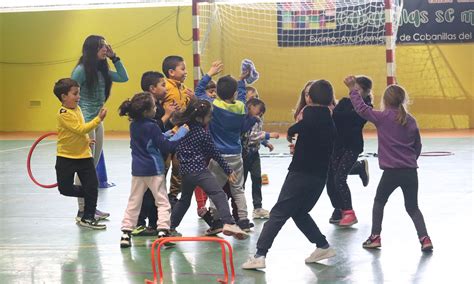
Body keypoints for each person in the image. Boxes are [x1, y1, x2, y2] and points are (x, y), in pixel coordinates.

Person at [242, 80, 337, 270]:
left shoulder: (308, 116)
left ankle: (260, 254)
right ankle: (322, 245)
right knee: (300, 212)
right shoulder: (331, 121)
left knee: (278, 213)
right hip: (320, 177)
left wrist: (293, 132)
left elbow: (299, 127)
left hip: (300, 173)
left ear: (308, 98)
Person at [345, 76, 433, 252]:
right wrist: (410, 160)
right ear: (403, 100)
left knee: (379, 201)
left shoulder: (382, 117)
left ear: (385, 100)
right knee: (412, 207)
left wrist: (353, 90)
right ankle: (425, 239)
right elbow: (418, 145)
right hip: (410, 172)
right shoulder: (411, 120)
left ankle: (375, 236)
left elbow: (361, 109)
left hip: (391, 173)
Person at [170, 99, 249, 240]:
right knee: (218, 194)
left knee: (184, 200)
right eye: (209, 116)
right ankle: (229, 222)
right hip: (199, 171)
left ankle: (170, 227)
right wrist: (228, 170)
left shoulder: (183, 129)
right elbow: (214, 153)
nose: (210, 118)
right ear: (200, 118)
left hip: (185, 172)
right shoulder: (202, 133)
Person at [118, 92, 189, 248]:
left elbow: (150, 141)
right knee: (163, 202)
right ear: (146, 111)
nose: (156, 109)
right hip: (154, 170)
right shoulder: (152, 126)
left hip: (138, 171)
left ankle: (125, 232)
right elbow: (167, 146)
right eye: (153, 106)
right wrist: (182, 133)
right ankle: (163, 230)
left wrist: (167, 134)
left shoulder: (134, 125)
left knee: (134, 201)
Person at [71, 35, 129, 222]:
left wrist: (115, 57)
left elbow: (123, 77)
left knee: (92, 166)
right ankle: (82, 210)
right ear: (91, 50)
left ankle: (90, 207)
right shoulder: (81, 70)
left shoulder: (102, 70)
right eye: (100, 47)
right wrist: (74, 122)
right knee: (85, 168)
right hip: (85, 122)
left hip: (97, 121)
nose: (105, 49)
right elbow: (70, 94)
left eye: (105, 46)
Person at [195, 60, 252, 231]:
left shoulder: (214, 106)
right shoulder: (241, 107)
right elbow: (242, 96)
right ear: (234, 93)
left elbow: (198, 93)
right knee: (237, 188)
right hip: (236, 154)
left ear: (216, 92)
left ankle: (217, 219)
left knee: (215, 189)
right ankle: (243, 219)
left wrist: (209, 74)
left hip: (218, 155)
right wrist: (242, 81)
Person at [53, 78, 107, 229]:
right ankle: (88, 195)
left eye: (78, 93)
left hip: (84, 156)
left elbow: (80, 130)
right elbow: (80, 129)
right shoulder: (63, 114)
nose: (79, 97)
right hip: (66, 157)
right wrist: (98, 119)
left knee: (92, 185)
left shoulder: (78, 109)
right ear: (64, 97)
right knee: (65, 189)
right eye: (75, 94)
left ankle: (87, 217)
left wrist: (86, 141)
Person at [132, 71, 178, 236]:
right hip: (150, 160)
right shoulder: (149, 111)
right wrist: (167, 116)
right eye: (163, 85)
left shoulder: (158, 106)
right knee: (148, 194)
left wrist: (171, 118)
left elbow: (161, 129)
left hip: (157, 158)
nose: (166, 88)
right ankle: (140, 223)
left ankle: (153, 223)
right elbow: (153, 129)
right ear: (152, 88)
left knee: (154, 194)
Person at [327, 76, 373, 226]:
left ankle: (349, 212)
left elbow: (356, 118)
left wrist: (343, 116)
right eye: (353, 89)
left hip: (353, 146)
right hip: (338, 144)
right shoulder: (345, 102)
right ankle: (339, 208)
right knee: (333, 178)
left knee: (340, 178)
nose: (354, 92)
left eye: (357, 89)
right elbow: (336, 116)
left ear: (366, 92)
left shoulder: (366, 107)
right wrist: (342, 116)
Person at [161, 55, 194, 208]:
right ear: (171, 72)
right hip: (168, 132)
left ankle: (173, 195)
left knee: (178, 165)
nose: (186, 72)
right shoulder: (165, 87)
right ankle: (159, 193)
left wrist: (192, 100)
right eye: (183, 69)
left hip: (181, 133)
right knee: (164, 165)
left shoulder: (184, 89)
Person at [241, 98, 279, 219]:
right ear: (250, 107)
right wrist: (268, 135)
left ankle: (257, 207)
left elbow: (258, 133)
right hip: (245, 154)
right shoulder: (245, 120)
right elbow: (250, 136)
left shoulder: (258, 119)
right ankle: (239, 208)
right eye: (259, 110)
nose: (261, 113)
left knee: (257, 178)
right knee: (241, 182)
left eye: (262, 112)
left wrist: (265, 142)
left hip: (254, 153)